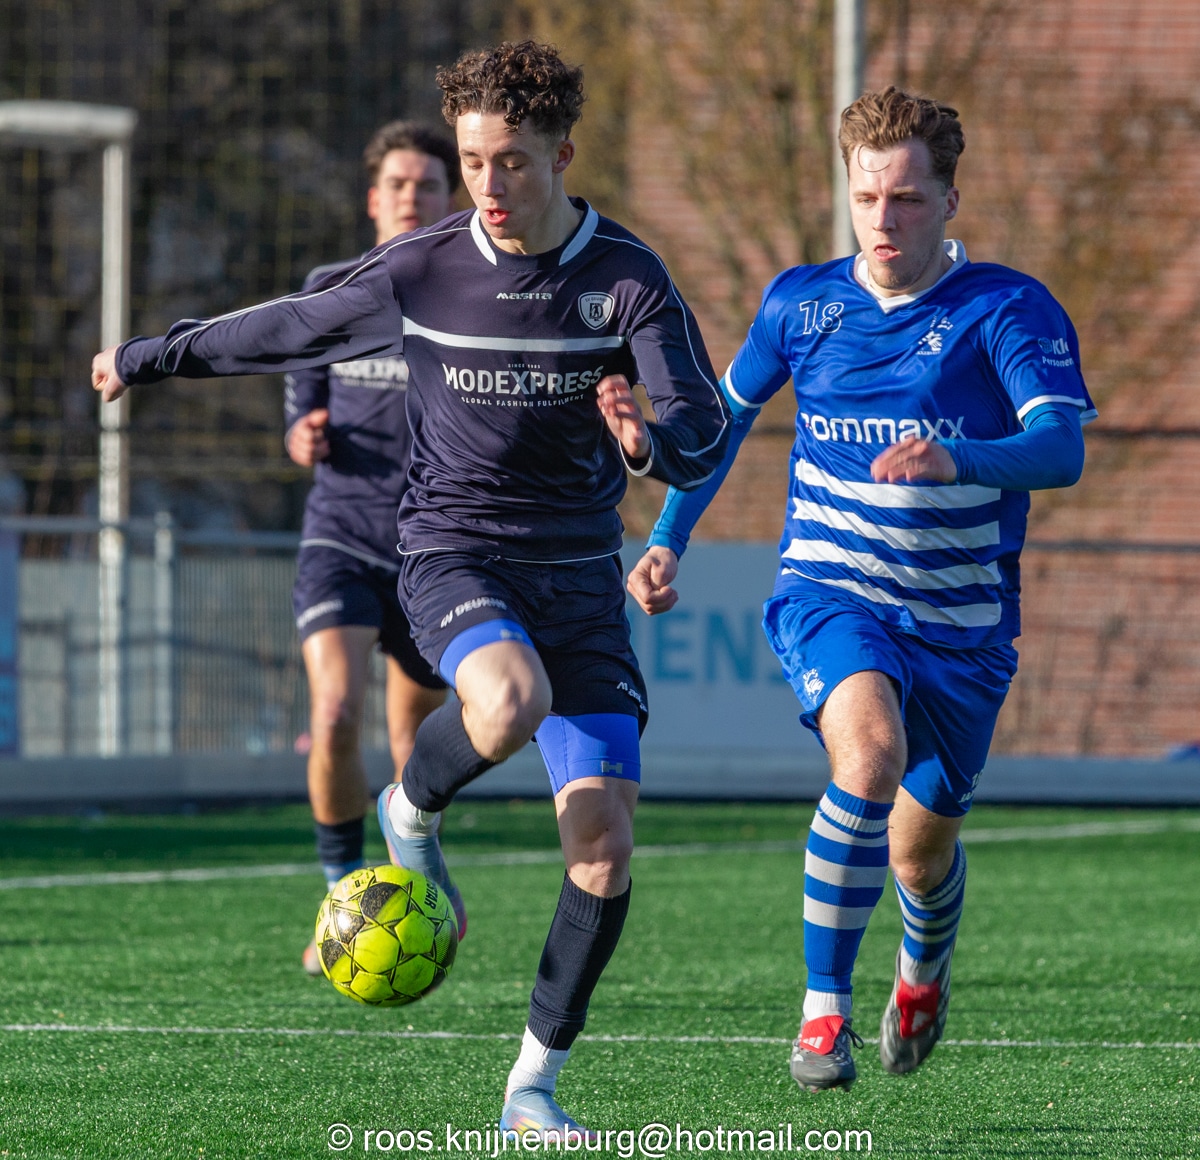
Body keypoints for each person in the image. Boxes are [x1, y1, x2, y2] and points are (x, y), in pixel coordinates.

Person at [92, 41, 728, 1137]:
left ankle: (531, 1087)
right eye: (473, 161)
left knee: (604, 851)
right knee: (507, 700)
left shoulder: (629, 277)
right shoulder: (423, 265)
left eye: (511, 161)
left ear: (562, 155)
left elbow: (702, 432)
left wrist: (643, 441)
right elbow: (282, 327)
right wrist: (150, 356)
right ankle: (412, 805)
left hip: (581, 580)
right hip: (453, 551)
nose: (488, 184)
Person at [628, 87, 1094, 1092]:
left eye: (908, 199)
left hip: (964, 629)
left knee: (920, 856)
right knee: (869, 755)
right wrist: (668, 535)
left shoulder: (1006, 310)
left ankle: (922, 970)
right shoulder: (801, 304)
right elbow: (722, 425)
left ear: (950, 200)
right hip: (831, 591)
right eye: (867, 197)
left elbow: (1061, 450)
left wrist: (960, 458)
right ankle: (822, 1014)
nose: (885, 220)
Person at [286, 121, 459, 977]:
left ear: (450, 199)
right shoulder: (330, 289)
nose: (410, 197)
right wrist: (302, 433)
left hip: (431, 546)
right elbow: (298, 404)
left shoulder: (470, 297)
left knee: (411, 746)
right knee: (332, 713)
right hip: (341, 534)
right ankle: (339, 900)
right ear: (373, 198)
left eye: (427, 184)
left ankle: (413, 887)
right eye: (397, 183)